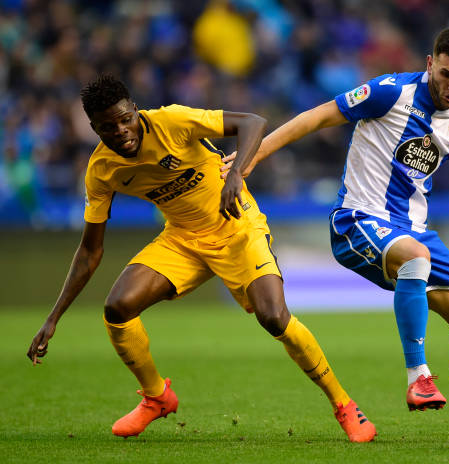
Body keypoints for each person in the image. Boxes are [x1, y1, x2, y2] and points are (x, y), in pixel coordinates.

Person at [221, 28, 449, 434]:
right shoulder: (389, 91)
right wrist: (250, 159)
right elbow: (316, 117)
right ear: (431, 63)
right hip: (356, 220)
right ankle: (418, 376)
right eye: (447, 74)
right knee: (416, 257)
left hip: (413, 230)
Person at [26, 75, 376, 443]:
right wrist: (53, 318)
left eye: (125, 118)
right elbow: (90, 250)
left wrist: (236, 174)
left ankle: (345, 405)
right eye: (107, 127)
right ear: (93, 128)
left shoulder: (171, 121)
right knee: (117, 308)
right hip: (182, 240)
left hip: (237, 226)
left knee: (273, 317)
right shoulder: (101, 170)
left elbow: (252, 122)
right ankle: (156, 397)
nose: (121, 131)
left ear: (135, 110)